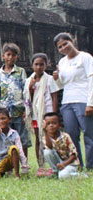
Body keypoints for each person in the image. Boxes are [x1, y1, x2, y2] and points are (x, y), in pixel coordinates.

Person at [53, 32, 93, 169]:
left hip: (83, 99)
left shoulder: (85, 57)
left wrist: (91, 103)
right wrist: (57, 78)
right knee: (71, 135)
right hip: (67, 101)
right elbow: (62, 85)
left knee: (89, 134)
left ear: (73, 41)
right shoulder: (62, 62)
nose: (63, 48)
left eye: (65, 44)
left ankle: (91, 165)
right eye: (60, 47)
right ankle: (78, 164)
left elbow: (92, 79)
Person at [23, 53, 59, 176]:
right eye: (36, 64)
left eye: (41, 64)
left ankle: (54, 164)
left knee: (52, 138)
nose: (38, 67)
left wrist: (54, 114)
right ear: (32, 65)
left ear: (46, 65)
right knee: (39, 139)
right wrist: (31, 87)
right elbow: (28, 100)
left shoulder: (49, 79)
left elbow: (54, 97)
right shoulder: (29, 80)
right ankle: (41, 165)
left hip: (48, 113)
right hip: (35, 115)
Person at [0, 43, 31, 158]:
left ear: (17, 57)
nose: (10, 57)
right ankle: (9, 164)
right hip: (5, 113)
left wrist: (26, 109)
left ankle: (24, 164)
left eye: (13, 55)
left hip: (19, 111)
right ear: (3, 56)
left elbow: (25, 91)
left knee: (22, 138)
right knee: (7, 139)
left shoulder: (21, 71)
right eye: (8, 54)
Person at [0, 108, 29, 180]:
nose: (1, 121)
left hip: (11, 159)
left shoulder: (14, 133)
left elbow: (20, 150)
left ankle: (16, 174)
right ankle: (3, 171)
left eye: (4, 118)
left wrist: (24, 166)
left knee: (13, 148)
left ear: (9, 119)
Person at [43, 112, 80, 179]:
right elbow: (49, 147)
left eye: (54, 123)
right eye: (48, 124)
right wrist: (45, 131)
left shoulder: (65, 136)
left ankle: (80, 175)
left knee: (63, 176)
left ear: (59, 124)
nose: (51, 125)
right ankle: (56, 171)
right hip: (59, 163)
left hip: (70, 164)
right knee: (47, 152)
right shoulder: (45, 138)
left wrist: (64, 164)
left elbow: (74, 154)